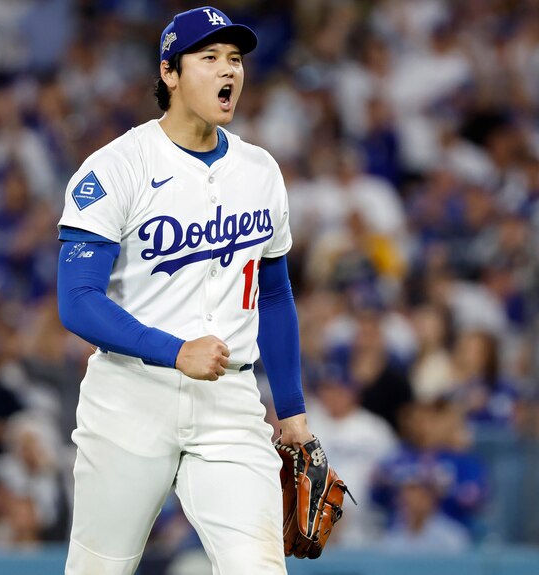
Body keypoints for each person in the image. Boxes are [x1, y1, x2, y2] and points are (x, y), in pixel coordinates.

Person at [56, 7, 315, 574]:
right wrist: (174, 351)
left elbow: (273, 295)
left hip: (229, 401)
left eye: (235, 59)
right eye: (210, 58)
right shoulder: (115, 168)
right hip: (130, 395)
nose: (228, 71)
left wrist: (291, 411)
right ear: (170, 73)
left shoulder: (260, 170)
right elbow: (76, 300)